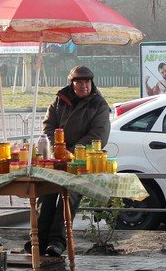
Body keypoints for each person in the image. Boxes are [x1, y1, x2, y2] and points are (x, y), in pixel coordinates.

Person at [30, 65, 111, 257]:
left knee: (70, 196)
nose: (84, 85)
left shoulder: (98, 104)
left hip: (82, 162)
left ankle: (57, 242)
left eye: (87, 82)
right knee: (46, 193)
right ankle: (38, 240)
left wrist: (72, 151)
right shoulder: (59, 100)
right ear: (72, 84)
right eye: (79, 82)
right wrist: (56, 147)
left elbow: (98, 135)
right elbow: (48, 127)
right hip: (56, 158)